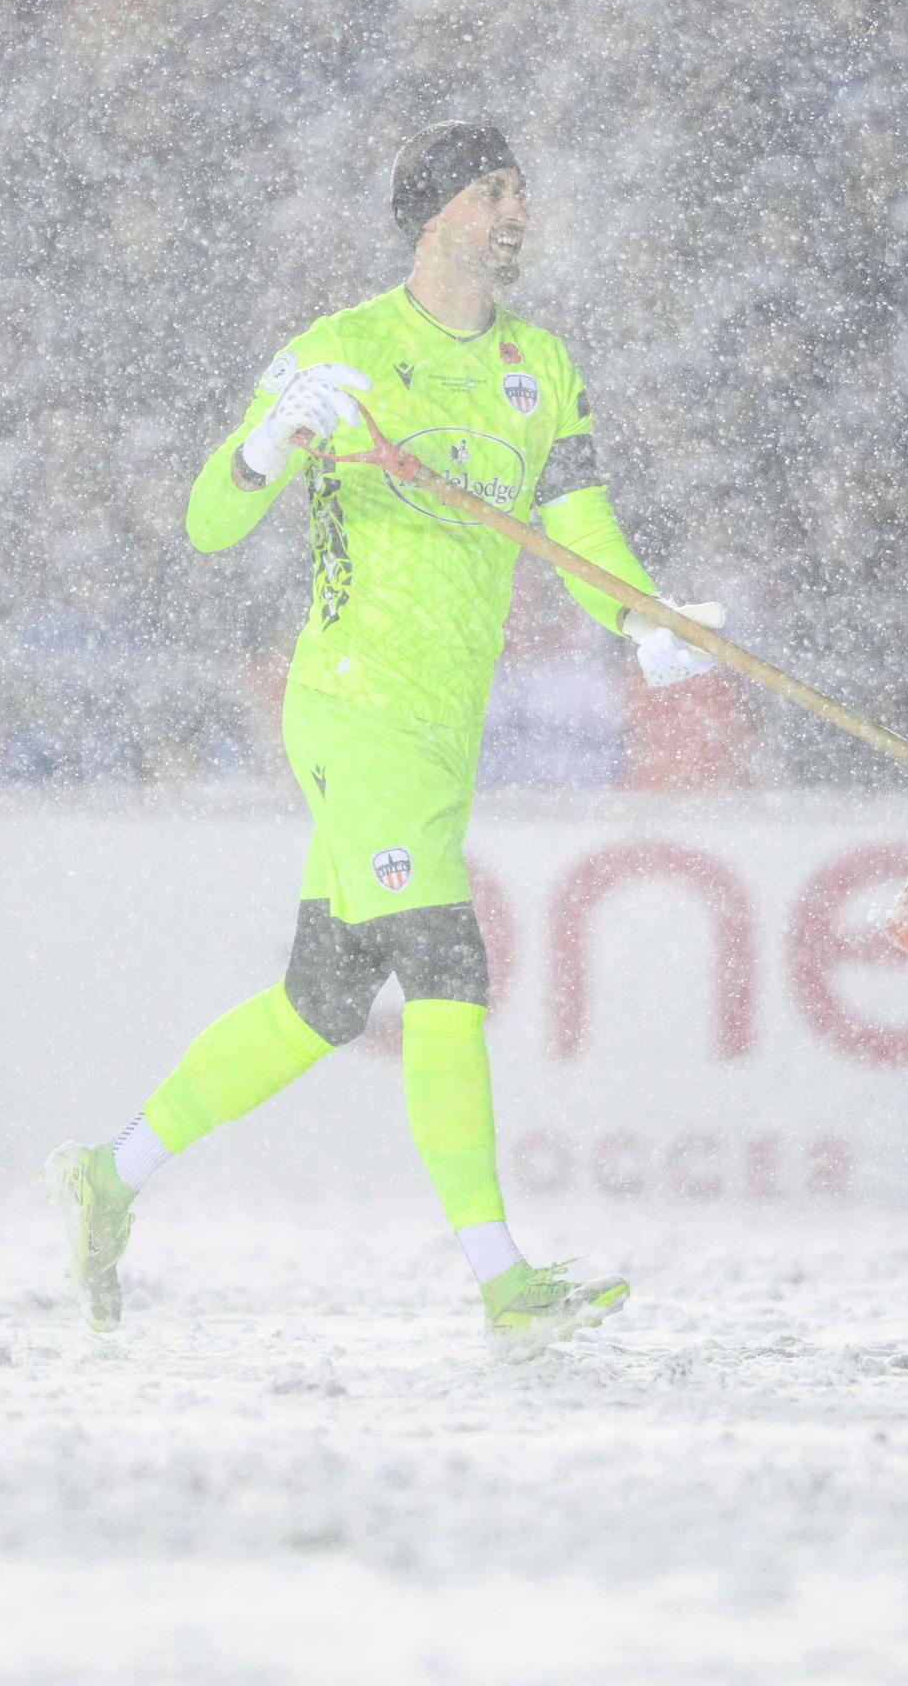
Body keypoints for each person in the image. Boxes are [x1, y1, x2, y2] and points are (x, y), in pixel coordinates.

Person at [45, 124, 723, 1345]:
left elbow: (576, 529)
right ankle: (502, 1280)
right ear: (431, 214)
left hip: (443, 731)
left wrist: (642, 622)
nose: (516, 213)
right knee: (447, 961)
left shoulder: (541, 364)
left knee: (321, 999)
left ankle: (109, 1173)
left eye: (521, 192)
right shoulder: (339, 349)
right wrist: (267, 441)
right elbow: (207, 520)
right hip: (353, 706)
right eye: (492, 192)